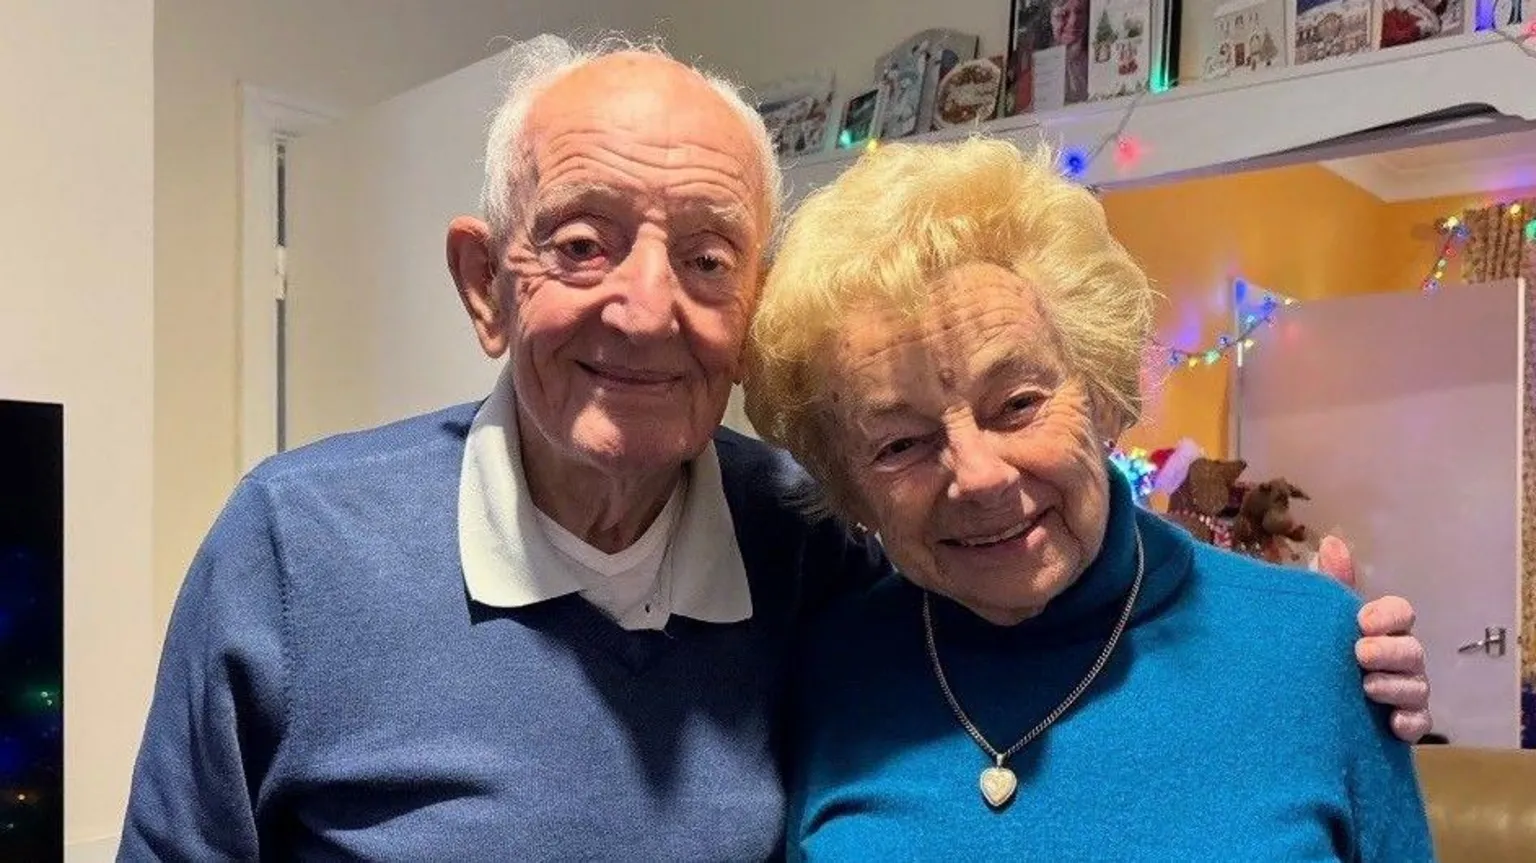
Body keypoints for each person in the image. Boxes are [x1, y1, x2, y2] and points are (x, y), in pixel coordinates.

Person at [119, 36, 1431, 861]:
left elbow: (1064, 601)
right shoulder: (297, 548)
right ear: (486, 284)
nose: (645, 306)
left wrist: (1318, 635)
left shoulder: (806, 551)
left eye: (704, 256)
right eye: (581, 242)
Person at [745, 137, 1433, 860]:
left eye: (1015, 403)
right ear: (850, 483)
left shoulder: (1319, 650)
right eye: (899, 443)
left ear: (1104, 395)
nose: (978, 474)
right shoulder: (829, 665)